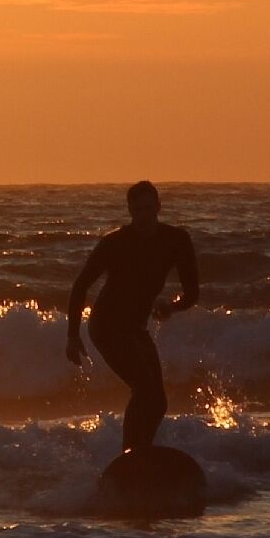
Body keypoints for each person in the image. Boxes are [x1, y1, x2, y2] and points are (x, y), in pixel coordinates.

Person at [62, 180, 200, 453]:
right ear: (129, 211)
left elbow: (192, 292)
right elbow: (80, 286)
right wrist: (72, 335)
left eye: (148, 208)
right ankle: (131, 454)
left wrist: (172, 306)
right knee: (144, 390)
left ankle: (141, 451)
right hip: (106, 326)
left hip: (136, 328)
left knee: (158, 401)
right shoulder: (114, 243)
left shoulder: (176, 240)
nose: (143, 216)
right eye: (137, 210)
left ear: (158, 207)